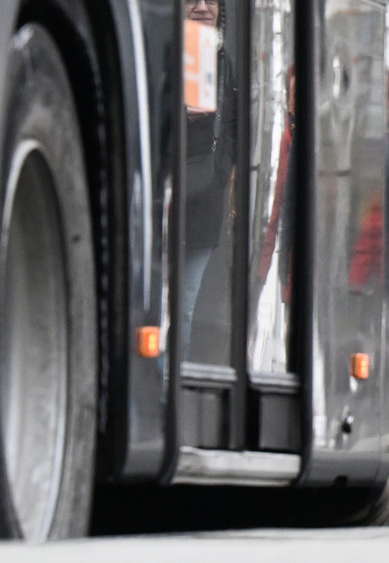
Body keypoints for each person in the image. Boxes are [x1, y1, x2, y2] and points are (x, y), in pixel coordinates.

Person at [183, 0, 237, 357]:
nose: (203, 7)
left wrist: (221, 179)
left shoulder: (222, 64)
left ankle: (170, 389)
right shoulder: (163, 53)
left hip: (203, 206)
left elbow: (233, 133)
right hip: (162, 203)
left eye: (212, 0)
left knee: (185, 307)